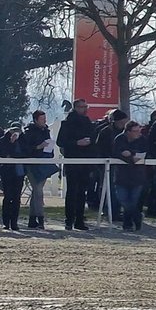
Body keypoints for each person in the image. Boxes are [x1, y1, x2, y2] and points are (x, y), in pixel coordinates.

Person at [55, 99, 96, 231]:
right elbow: (61, 141)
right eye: (82, 107)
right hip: (72, 160)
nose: (85, 109)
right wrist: (76, 143)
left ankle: (79, 220)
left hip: (85, 161)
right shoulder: (67, 123)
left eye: (85, 106)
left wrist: (90, 142)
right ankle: (69, 220)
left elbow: (93, 139)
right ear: (76, 108)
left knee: (82, 192)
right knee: (72, 191)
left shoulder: (88, 122)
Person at [19, 109, 57, 228]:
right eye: (42, 119)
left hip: (43, 164)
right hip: (32, 165)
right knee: (38, 191)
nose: (44, 121)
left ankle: (32, 219)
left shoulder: (46, 131)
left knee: (36, 192)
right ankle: (40, 218)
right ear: (35, 120)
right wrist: (38, 147)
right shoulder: (28, 132)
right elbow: (25, 149)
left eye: (45, 119)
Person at [111, 118, 149, 231]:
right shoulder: (119, 139)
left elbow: (143, 155)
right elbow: (116, 153)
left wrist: (130, 154)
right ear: (128, 131)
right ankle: (137, 216)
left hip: (137, 176)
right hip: (121, 176)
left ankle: (127, 224)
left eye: (139, 130)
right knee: (123, 200)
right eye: (135, 131)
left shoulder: (143, 140)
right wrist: (131, 157)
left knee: (133, 200)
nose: (138, 133)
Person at [0, 122, 26, 232]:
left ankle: (14, 222)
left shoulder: (23, 139)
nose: (15, 132)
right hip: (7, 172)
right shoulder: (4, 140)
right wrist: (11, 143)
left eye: (17, 130)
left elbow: (25, 152)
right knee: (8, 197)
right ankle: (6, 222)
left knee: (16, 198)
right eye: (13, 130)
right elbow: (3, 153)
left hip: (19, 172)